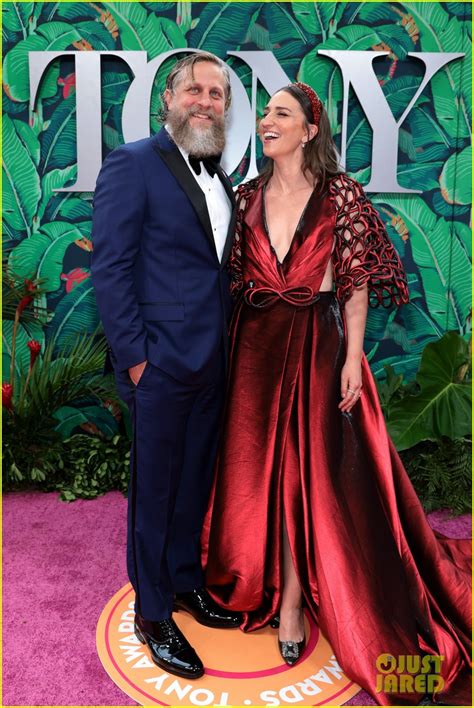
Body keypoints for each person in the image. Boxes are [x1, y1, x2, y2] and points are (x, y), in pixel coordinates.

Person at [202, 82, 471, 705]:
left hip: (317, 350)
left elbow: (355, 287)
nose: (266, 121)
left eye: (281, 113)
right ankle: (257, 575)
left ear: (309, 130)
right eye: (264, 112)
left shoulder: (341, 195)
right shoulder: (244, 199)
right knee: (253, 475)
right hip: (252, 351)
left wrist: (352, 358)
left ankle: (294, 600)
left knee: (307, 474)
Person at [91, 52, 242, 681]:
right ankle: (152, 614)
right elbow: (111, 268)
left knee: (192, 486)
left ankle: (184, 583)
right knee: (153, 493)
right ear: (169, 101)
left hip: (212, 364)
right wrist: (136, 364)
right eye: (194, 91)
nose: (206, 102)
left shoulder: (222, 178)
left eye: (217, 94)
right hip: (157, 368)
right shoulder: (133, 164)